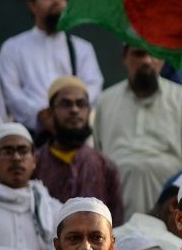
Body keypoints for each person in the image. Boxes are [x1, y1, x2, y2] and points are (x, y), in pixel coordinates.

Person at [94, 46, 182, 218]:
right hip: (117, 206)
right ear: (125, 57)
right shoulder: (105, 101)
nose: (147, 61)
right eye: (139, 54)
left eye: (154, 54)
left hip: (169, 207)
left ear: (163, 59)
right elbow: (99, 155)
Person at [0, 0, 103, 131]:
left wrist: (66, 113)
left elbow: (93, 86)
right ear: (32, 5)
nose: (57, 0)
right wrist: (40, 115)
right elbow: (11, 94)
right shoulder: (13, 47)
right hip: (31, 134)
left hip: (73, 131)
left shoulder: (82, 48)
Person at [34, 76, 124, 222]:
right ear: (50, 112)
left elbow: (116, 226)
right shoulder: (34, 165)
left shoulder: (106, 167)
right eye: (66, 104)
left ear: (89, 111)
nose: (74, 110)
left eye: (81, 104)